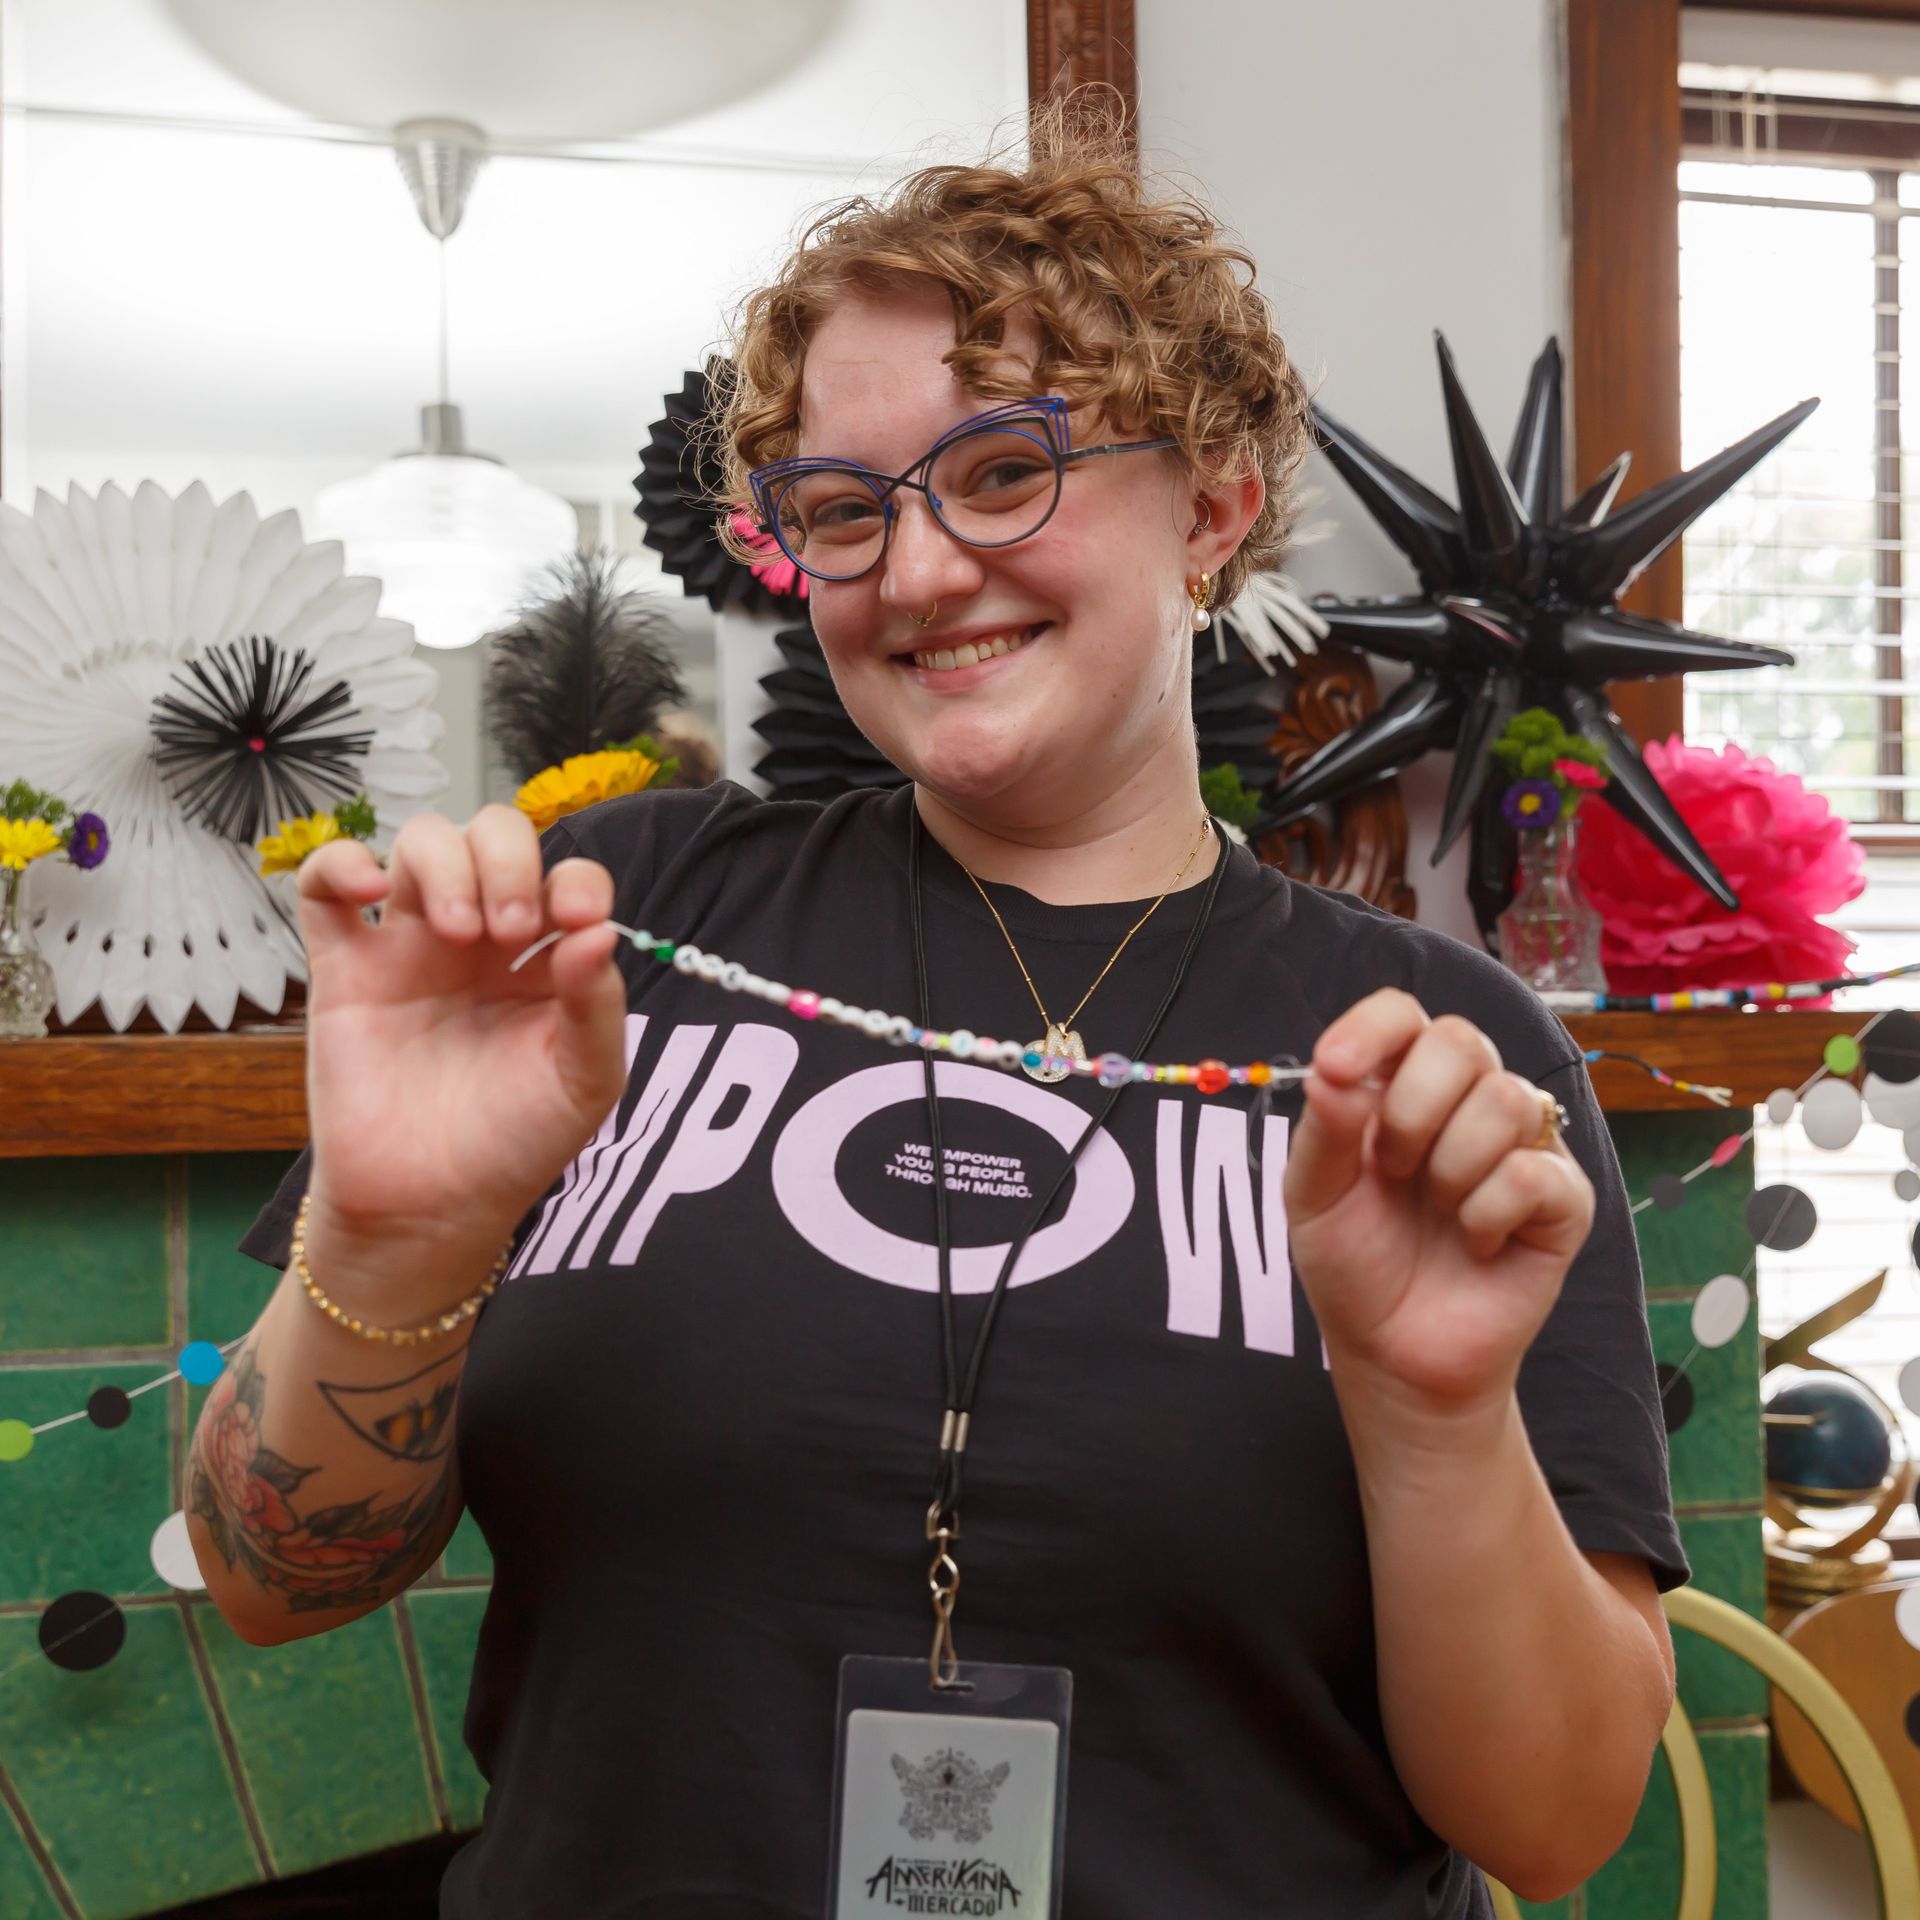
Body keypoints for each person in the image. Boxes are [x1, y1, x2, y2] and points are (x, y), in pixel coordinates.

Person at [193, 120, 1685, 1920]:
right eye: (844, 509)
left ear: (1211, 507)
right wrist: (398, 1229)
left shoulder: (1435, 1050)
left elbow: (1559, 1822)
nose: (912, 573)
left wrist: (1432, 1415)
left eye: (1001, 473)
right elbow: (267, 1581)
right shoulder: (613, 934)